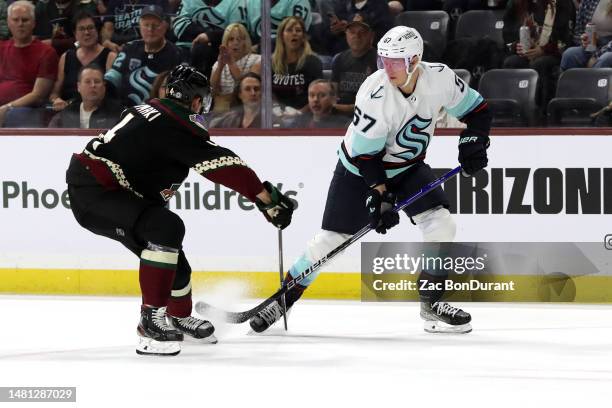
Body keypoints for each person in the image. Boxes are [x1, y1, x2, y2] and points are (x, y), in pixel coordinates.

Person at [249, 26, 491, 335]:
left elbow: (479, 110)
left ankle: (432, 302)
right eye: (383, 60)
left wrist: (473, 139)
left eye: (395, 61)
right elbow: (367, 157)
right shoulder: (374, 93)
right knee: (331, 241)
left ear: (415, 60)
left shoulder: (440, 78)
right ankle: (282, 300)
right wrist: (380, 196)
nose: (386, 68)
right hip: (358, 170)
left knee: (441, 223)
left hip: (408, 167)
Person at [65, 64, 295, 356]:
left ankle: (177, 316)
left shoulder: (154, 112)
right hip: (97, 192)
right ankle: (150, 322)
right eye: (202, 99)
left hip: (105, 190)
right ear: (194, 100)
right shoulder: (176, 123)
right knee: (165, 227)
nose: (203, 105)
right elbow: (223, 164)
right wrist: (266, 199)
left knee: (175, 262)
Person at [104, 5, 182, 107]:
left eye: (155, 25)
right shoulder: (129, 48)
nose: (150, 29)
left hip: (159, 113)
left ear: (165, 26)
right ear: (140, 26)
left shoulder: (176, 54)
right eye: (146, 25)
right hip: (125, 111)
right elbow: (112, 80)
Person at [0, 0, 59, 127]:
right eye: (16, 20)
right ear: (9, 23)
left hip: (28, 110)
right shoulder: (1, 48)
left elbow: (38, 95)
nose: (20, 24)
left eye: (25, 20)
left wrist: (7, 108)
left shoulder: (46, 52)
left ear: (34, 23)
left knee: (15, 115)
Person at [49, 11, 117, 112]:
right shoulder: (66, 57)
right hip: (69, 113)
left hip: (100, 114)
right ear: (75, 34)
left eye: (90, 28)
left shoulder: (110, 56)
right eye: (81, 29)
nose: (86, 33)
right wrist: (56, 100)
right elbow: (54, 93)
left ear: (97, 31)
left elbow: (113, 95)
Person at [272, 16, 322, 116]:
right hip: (277, 116)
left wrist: (299, 113)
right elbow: (268, 93)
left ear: (303, 37)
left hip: (305, 117)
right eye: (289, 30)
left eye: (298, 30)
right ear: (281, 36)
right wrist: (275, 108)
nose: (294, 33)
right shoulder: (272, 63)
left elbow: (319, 96)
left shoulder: (313, 62)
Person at [331, 13, 377, 115]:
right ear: (346, 34)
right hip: (338, 117)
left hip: (367, 117)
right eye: (352, 32)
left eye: (362, 32)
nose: (357, 36)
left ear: (371, 36)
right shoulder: (339, 59)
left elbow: (376, 104)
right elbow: (333, 94)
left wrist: (339, 108)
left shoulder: (380, 62)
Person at [49, 64, 121, 128]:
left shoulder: (118, 113)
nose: (93, 85)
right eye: (87, 82)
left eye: (97, 81)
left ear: (104, 87)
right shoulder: (67, 113)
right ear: (78, 87)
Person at [210, 23, 261, 114]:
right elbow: (212, 93)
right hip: (221, 111)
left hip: (247, 109)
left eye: (239, 39)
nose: (235, 43)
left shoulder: (257, 60)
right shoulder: (218, 64)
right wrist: (220, 67)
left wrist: (231, 64)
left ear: (245, 42)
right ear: (225, 42)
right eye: (231, 39)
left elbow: (248, 88)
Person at [560, 0, 612, 70]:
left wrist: (596, 56)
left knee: (606, 59)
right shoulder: (589, 1)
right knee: (569, 54)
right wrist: (584, 40)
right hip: (592, 46)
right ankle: (570, 81)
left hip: (609, 48)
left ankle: (593, 80)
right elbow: (578, 31)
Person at [101, 0, 170, 53]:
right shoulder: (115, 2)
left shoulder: (158, 1)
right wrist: (107, 42)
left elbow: (164, 25)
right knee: (111, 56)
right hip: (118, 48)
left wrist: (135, 46)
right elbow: (107, 28)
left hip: (147, 46)